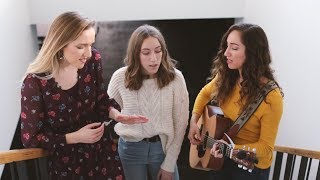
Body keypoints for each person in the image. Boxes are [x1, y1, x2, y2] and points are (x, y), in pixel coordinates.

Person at [20, 11, 148, 180]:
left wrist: (118, 115)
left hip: (103, 155)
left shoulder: (93, 60)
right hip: (66, 166)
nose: (88, 53)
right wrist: (74, 137)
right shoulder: (35, 83)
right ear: (60, 44)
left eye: (90, 44)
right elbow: (31, 139)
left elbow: (101, 100)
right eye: (80, 46)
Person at [188, 23, 283, 180]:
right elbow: (204, 93)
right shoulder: (227, 76)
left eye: (234, 48)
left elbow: (266, 148)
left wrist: (232, 148)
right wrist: (194, 121)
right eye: (227, 46)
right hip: (220, 158)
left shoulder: (271, 97)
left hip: (249, 168)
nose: (226, 53)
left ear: (252, 53)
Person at [107, 24, 189, 180]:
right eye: (146, 52)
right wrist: (117, 116)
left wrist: (169, 164)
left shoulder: (175, 78)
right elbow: (105, 109)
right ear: (135, 53)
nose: (154, 58)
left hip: (162, 149)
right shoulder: (120, 77)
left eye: (158, 51)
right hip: (130, 150)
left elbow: (181, 124)